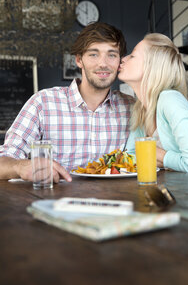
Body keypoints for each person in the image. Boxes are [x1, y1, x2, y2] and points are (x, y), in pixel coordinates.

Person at [0, 22, 134, 182]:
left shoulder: (131, 107)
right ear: (79, 60)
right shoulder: (42, 102)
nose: (103, 63)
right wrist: (21, 166)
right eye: (93, 54)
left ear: (120, 62)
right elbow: (3, 161)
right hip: (55, 203)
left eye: (111, 55)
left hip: (116, 202)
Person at [118, 33, 188, 175]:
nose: (123, 59)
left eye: (132, 56)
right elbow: (128, 158)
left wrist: (156, 154)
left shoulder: (170, 100)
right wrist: (171, 160)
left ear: (152, 66)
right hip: (182, 188)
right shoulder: (139, 109)